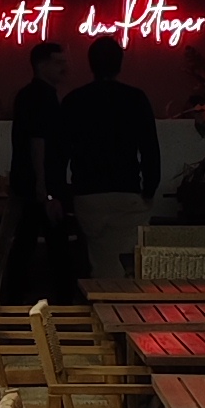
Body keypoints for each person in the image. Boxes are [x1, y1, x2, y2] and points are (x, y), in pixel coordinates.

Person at [58, 36, 162, 290]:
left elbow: (60, 153)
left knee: (100, 259)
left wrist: (60, 193)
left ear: (91, 64)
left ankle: (103, 301)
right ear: (119, 64)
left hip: (88, 194)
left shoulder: (74, 100)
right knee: (130, 264)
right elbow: (149, 148)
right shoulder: (135, 98)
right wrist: (149, 188)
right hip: (126, 191)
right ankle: (127, 305)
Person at [5, 38, 68, 296]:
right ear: (42, 65)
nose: (65, 68)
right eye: (59, 62)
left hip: (28, 183)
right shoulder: (43, 97)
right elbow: (38, 142)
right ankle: (62, 302)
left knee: (27, 242)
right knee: (55, 247)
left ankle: (12, 297)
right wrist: (45, 189)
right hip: (41, 185)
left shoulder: (29, 95)